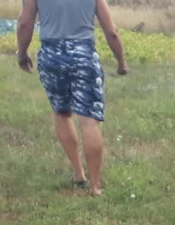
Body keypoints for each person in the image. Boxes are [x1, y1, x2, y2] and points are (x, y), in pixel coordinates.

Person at [15, 0, 128, 197]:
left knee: (62, 113)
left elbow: (25, 23)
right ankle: (94, 186)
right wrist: (121, 63)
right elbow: (112, 31)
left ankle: (78, 173)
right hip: (83, 55)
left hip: (52, 56)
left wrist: (22, 54)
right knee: (89, 121)